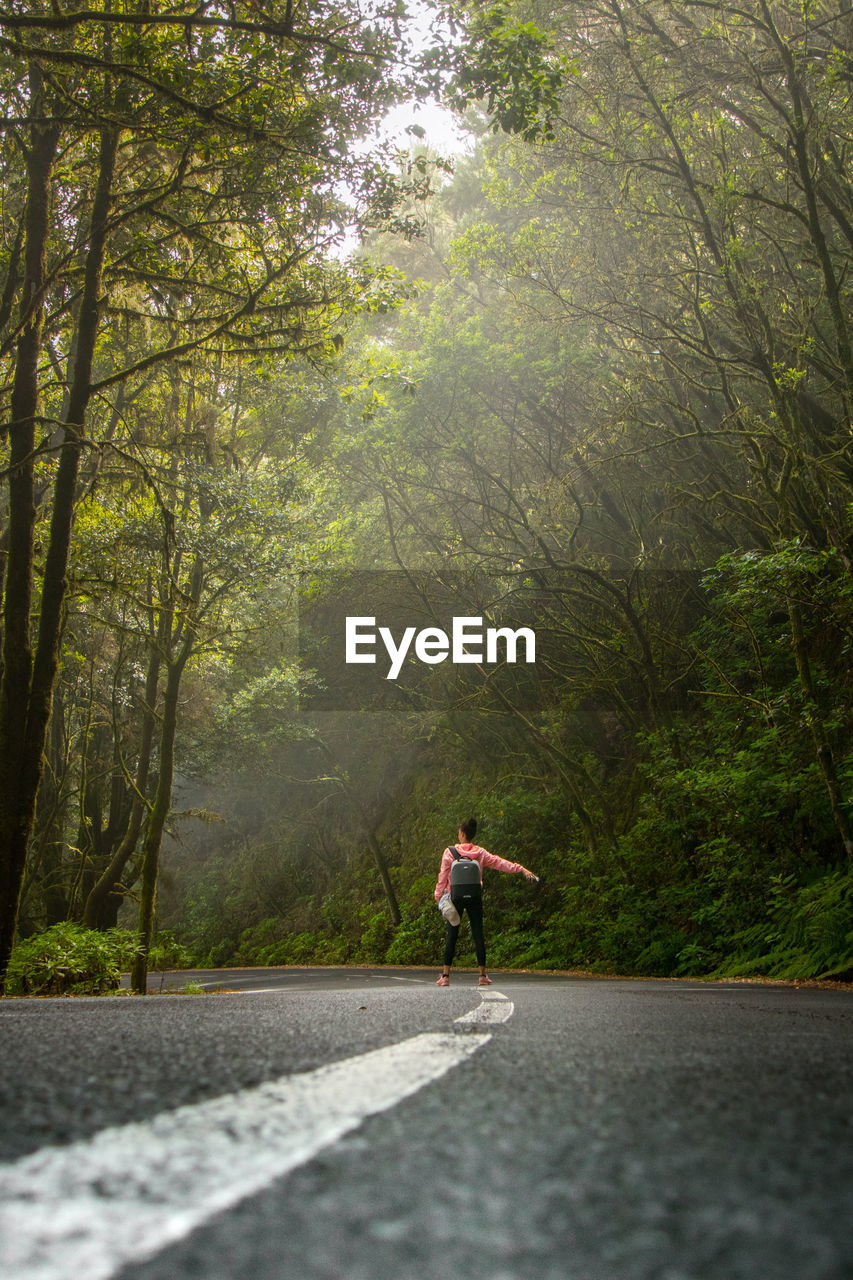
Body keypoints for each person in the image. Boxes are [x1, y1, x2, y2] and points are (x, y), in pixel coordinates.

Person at [434, 817, 538, 987]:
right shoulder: (480, 853)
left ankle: (445, 976)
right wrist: (520, 868)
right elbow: (500, 863)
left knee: (452, 934)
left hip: (456, 897)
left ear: (461, 833)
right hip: (475, 896)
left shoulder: (449, 852)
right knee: (478, 934)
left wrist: (438, 895)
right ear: (472, 835)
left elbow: (443, 876)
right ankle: (482, 975)